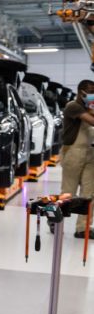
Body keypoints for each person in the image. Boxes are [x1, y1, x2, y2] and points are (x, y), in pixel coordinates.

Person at [60, 79, 94, 237]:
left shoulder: (89, 107)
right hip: (73, 152)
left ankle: (82, 228)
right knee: (68, 192)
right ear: (82, 92)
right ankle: (55, 222)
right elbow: (91, 120)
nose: (93, 95)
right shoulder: (73, 106)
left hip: (90, 154)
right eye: (91, 91)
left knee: (89, 193)